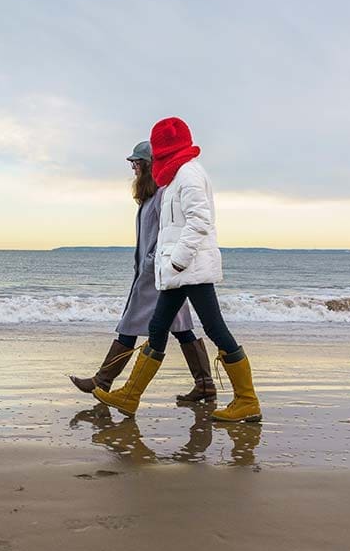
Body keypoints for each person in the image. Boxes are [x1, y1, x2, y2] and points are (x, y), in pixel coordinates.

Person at [93, 118, 262, 423]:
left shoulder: (189, 175)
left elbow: (200, 221)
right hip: (177, 271)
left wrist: (177, 261)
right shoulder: (174, 178)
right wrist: (169, 266)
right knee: (158, 328)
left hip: (190, 269)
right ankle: (130, 396)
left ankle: (247, 400)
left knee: (214, 328)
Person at [69, 140, 215, 403]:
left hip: (157, 274)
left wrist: (152, 262)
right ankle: (204, 384)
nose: (133, 167)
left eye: (136, 162)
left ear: (148, 164)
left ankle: (102, 380)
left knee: (130, 326)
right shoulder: (150, 195)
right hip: (156, 274)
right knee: (180, 329)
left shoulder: (162, 194)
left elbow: (170, 232)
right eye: (132, 163)